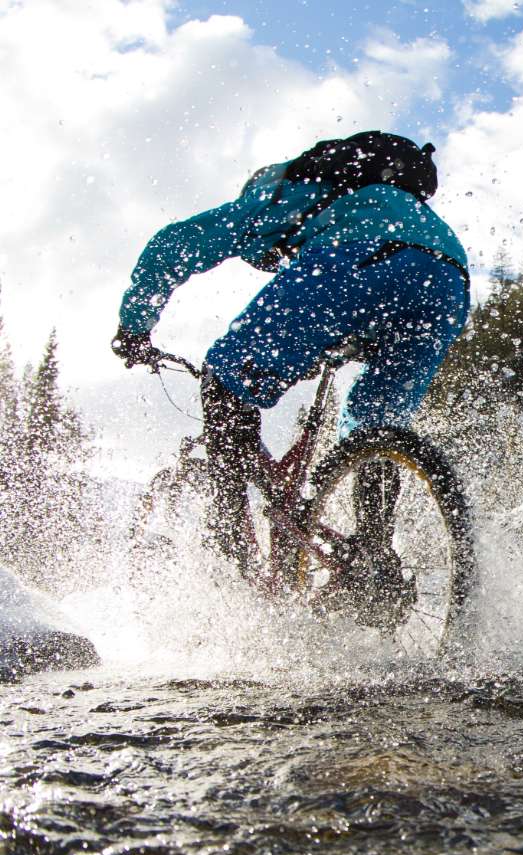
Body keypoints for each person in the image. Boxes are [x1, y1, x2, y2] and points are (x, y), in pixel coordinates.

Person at [111, 131, 469, 566]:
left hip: (361, 258)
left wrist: (133, 328)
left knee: (226, 374)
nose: (274, 260)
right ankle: (373, 561)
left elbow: (174, 246)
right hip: (448, 277)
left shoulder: (278, 195)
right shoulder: (383, 201)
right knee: (374, 423)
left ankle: (231, 539)